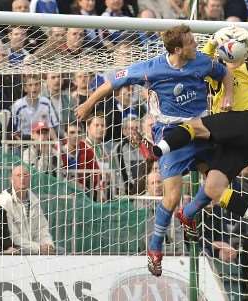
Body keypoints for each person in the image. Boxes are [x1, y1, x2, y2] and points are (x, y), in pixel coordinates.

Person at [75, 24, 233, 276]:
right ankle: (155, 247)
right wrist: (88, 103)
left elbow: (224, 73)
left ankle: (189, 213)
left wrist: (228, 97)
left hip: (202, 130)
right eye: (191, 41)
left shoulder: (202, 61)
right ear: (178, 49)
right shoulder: (151, 68)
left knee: (219, 186)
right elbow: (112, 82)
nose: (196, 44)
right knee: (171, 198)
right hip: (171, 133)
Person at [143, 26, 248, 255]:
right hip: (237, 143)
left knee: (193, 126)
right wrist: (213, 43)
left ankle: (156, 152)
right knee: (214, 188)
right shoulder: (217, 79)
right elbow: (200, 62)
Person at [0, 165, 55, 255]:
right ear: (11, 179)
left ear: (29, 178)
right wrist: (38, 248)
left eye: (25, 175)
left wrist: (48, 245)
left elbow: (42, 228)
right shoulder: (5, 201)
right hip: (15, 251)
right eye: (18, 175)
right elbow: (13, 236)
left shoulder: (34, 200)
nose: (22, 179)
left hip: (35, 249)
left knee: (59, 251)